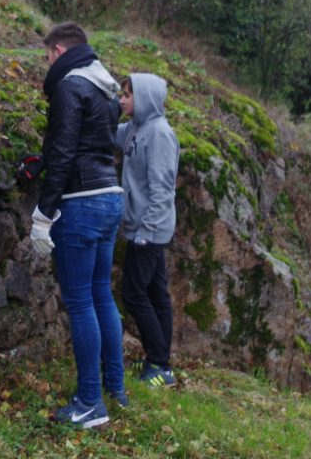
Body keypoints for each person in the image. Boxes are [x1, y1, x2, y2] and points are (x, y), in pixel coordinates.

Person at [29, 21, 126, 428]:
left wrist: (43, 214)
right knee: (101, 295)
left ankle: (90, 403)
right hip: (109, 198)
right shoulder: (106, 89)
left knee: (82, 301)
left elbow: (67, 151)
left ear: (59, 50)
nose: (47, 63)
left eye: (47, 55)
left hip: (80, 205)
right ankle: (113, 389)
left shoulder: (70, 85)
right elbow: (87, 146)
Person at [117, 73, 180, 387]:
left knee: (133, 293)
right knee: (156, 294)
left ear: (145, 99)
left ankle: (159, 364)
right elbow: (111, 135)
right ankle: (161, 363)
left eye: (128, 95)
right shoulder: (135, 127)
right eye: (122, 93)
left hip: (149, 229)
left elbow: (163, 191)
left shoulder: (159, 135)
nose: (122, 99)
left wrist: (146, 231)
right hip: (141, 226)